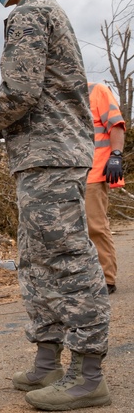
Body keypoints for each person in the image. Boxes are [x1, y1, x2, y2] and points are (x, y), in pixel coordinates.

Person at [0, 0, 111, 411]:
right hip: (42, 154)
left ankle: (88, 374)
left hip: (50, 154)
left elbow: (20, 90)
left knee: (66, 258)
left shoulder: (29, 15)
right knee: (38, 260)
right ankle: (47, 361)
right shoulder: (48, 13)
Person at [86, 82, 125, 294]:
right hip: (64, 173)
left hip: (93, 170)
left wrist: (116, 156)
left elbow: (116, 124)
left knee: (95, 225)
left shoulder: (96, 90)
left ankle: (106, 278)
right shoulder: (53, 92)